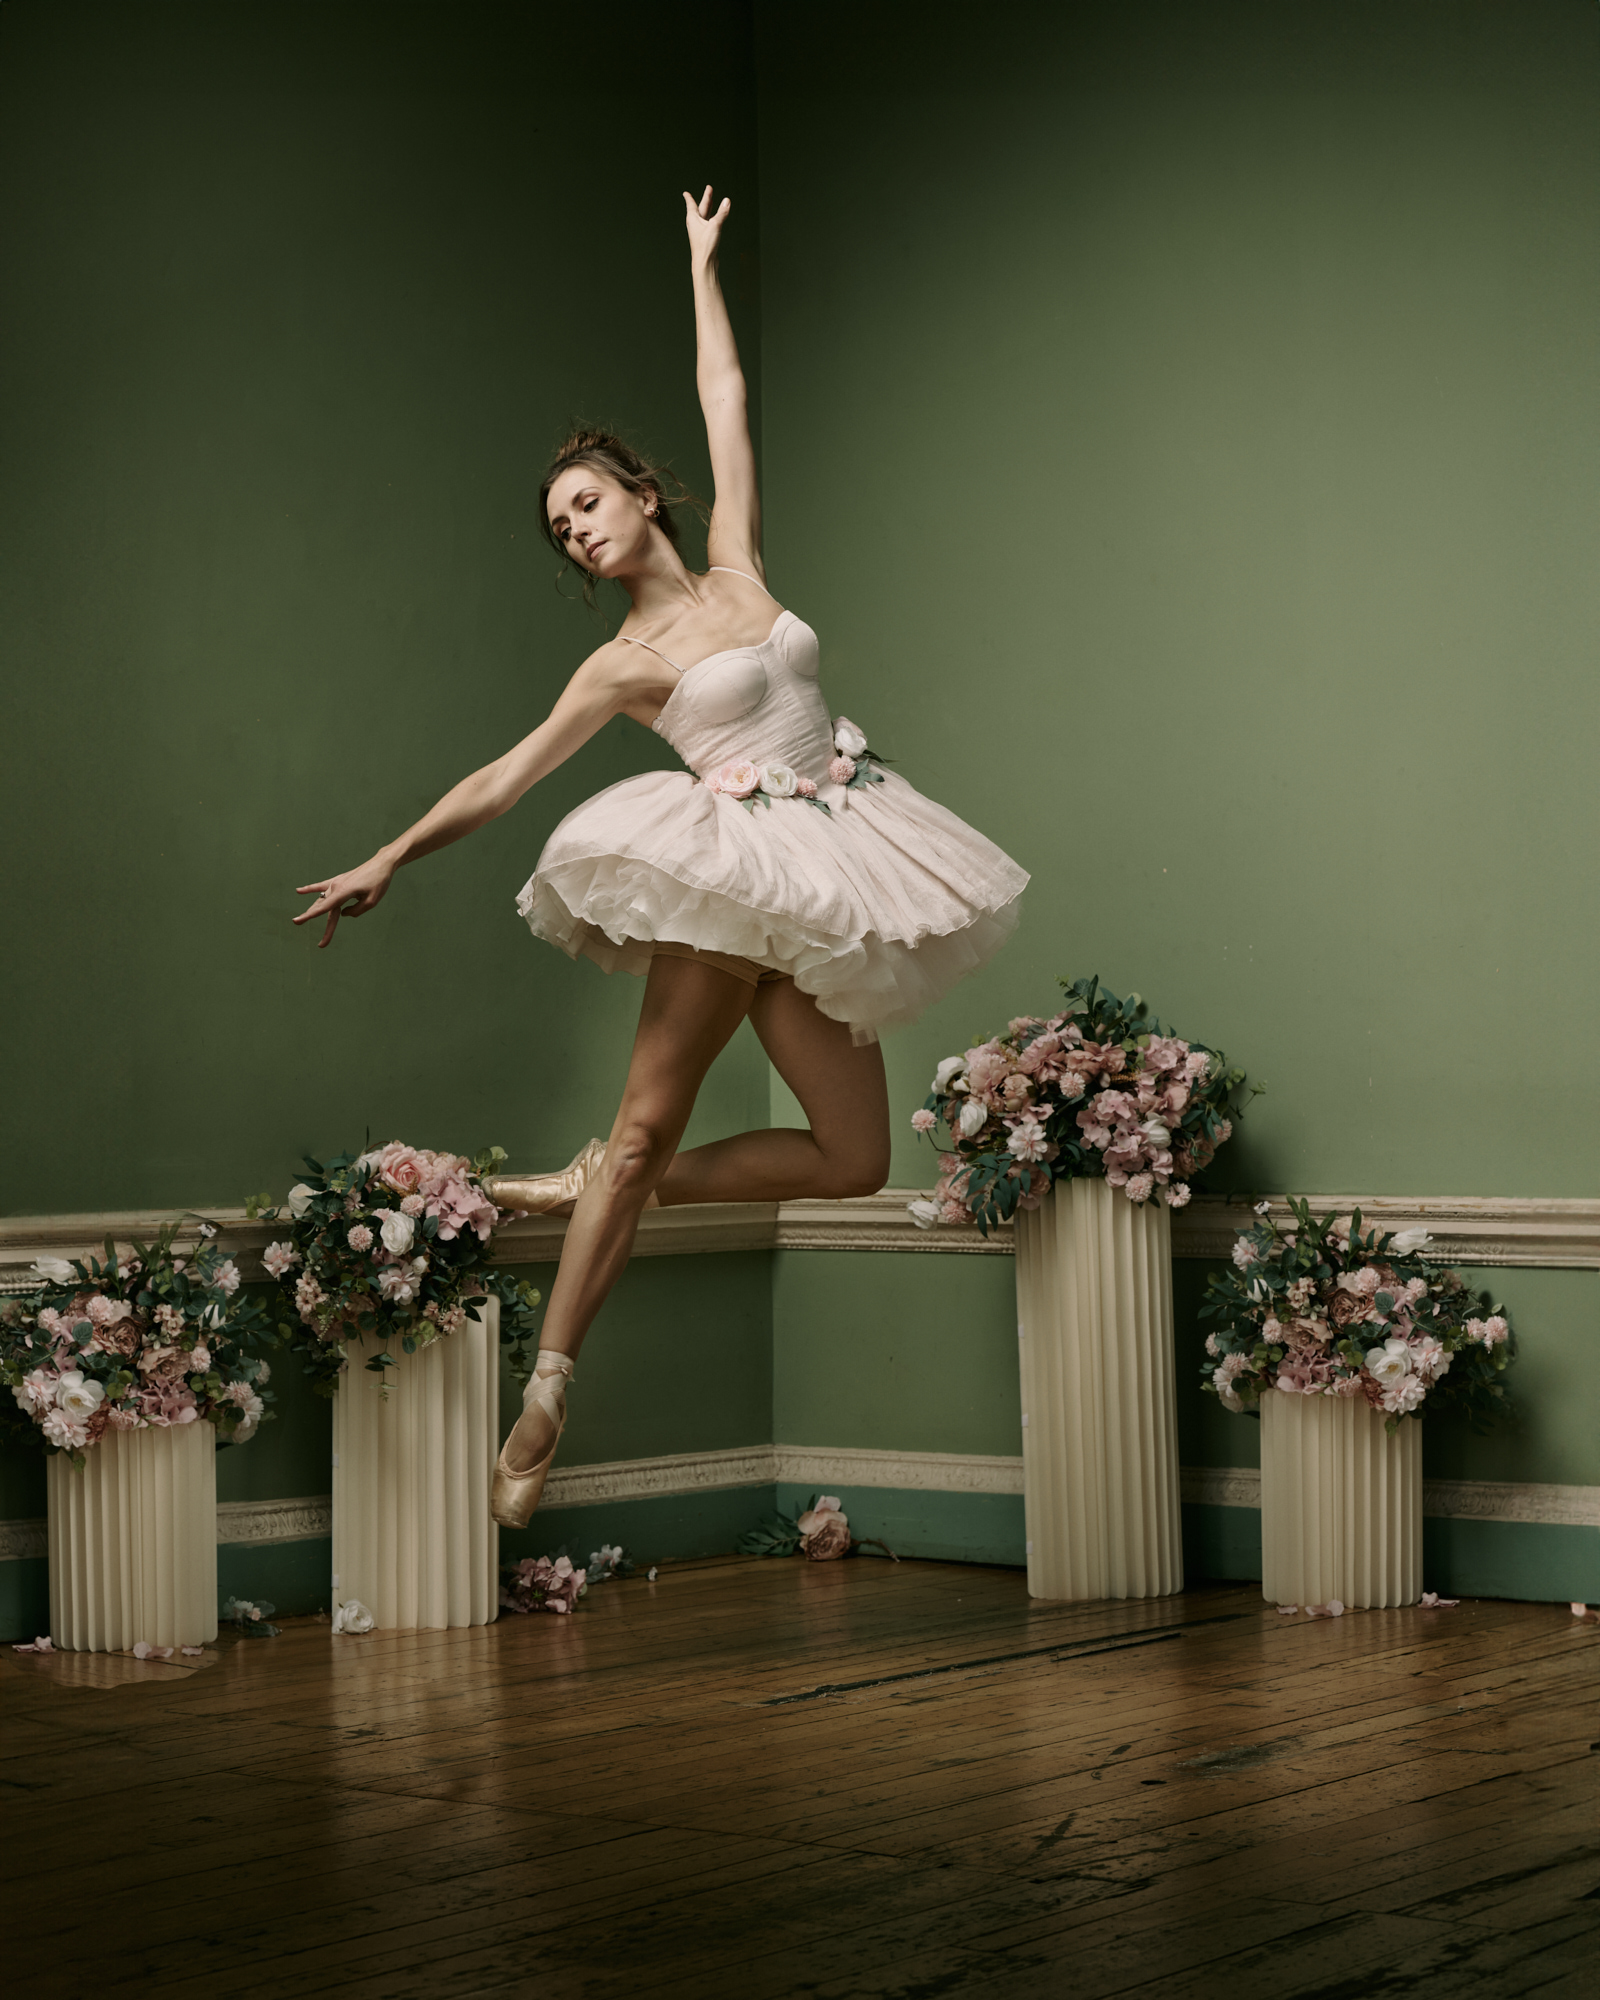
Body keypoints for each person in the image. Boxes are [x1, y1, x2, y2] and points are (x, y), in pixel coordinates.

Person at [293, 188, 1028, 1528]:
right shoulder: (622, 665)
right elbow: (506, 778)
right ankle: (549, 1395)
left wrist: (701, 263)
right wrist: (391, 852)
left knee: (854, 1159)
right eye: (560, 528)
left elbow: (726, 393)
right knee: (644, 1130)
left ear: (641, 493)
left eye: (586, 503)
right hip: (727, 877)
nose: (576, 528)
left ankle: (595, 1182)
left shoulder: (744, 562)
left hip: (829, 874)